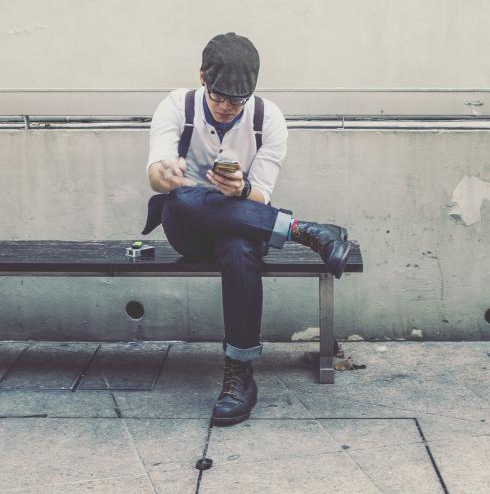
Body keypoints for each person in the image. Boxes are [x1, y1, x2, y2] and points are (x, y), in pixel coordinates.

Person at [142, 32, 353, 426]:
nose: (225, 107)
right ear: (202, 76)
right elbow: (156, 171)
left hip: (244, 225)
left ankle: (240, 374)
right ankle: (303, 231)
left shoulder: (267, 118)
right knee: (186, 197)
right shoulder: (177, 105)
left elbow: (262, 193)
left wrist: (243, 188)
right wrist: (166, 174)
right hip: (187, 228)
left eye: (236, 100)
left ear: (252, 92)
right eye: (218, 96)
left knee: (239, 247)